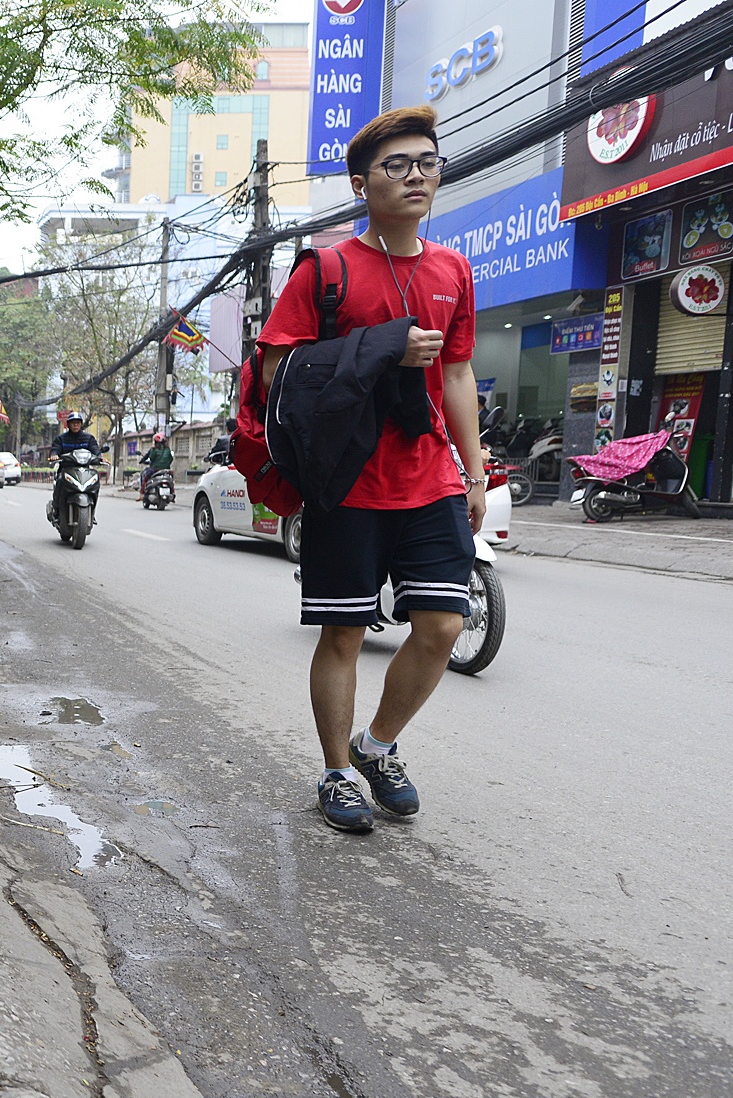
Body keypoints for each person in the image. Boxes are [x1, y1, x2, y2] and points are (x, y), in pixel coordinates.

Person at [255, 104, 485, 834]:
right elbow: (274, 373)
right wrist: (382, 346)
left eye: (427, 162)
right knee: (346, 635)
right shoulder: (326, 271)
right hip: (347, 479)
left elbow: (456, 374)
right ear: (362, 184)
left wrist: (475, 473)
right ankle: (334, 772)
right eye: (397, 165)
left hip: (430, 475)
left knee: (444, 625)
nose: (416, 175)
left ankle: (377, 746)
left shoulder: (453, 269)